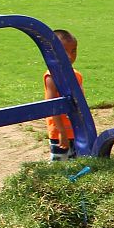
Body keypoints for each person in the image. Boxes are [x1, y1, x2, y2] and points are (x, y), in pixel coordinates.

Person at [43, 29, 82, 161]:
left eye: (74, 51)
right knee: (59, 164)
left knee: (76, 163)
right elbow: (52, 106)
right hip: (60, 132)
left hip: (76, 130)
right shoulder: (52, 77)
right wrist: (61, 131)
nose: (70, 56)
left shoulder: (76, 75)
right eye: (65, 52)